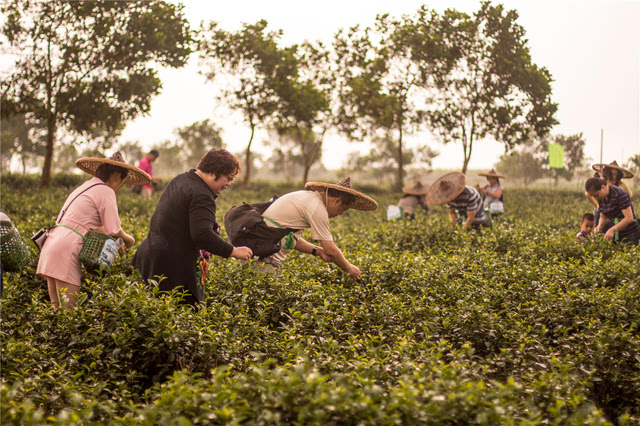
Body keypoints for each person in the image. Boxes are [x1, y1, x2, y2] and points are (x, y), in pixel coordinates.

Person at [132, 149, 253, 306]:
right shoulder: (202, 195)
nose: (229, 183)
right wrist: (233, 251)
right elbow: (202, 235)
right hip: (172, 271)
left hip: (151, 258)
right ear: (214, 172)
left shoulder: (181, 179)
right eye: (228, 178)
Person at [36, 152, 150, 309]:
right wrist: (130, 240)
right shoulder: (106, 191)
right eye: (122, 181)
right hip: (67, 250)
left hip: (51, 245)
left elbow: (92, 225)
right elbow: (113, 230)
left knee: (57, 312)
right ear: (117, 176)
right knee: (69, 314)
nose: (120, 186)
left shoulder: (84, 187)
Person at [225, 177, 377, 280]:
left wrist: (316, 251)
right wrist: (349, 267)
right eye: (342, 210)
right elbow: (330, 249)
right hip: (265, 260)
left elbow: (288, 237)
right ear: (337, 201)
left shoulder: (307, 198)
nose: (339, 215)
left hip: (261, 256)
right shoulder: (317, 207)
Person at [585, 176, 640, 246]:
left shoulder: (620, 194)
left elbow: (629, 218)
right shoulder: (601, 197)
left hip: (629, 233)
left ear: (603, 187)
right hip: (614, 235)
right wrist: (599, 226)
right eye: (594, 196)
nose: (596, 198)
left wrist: (613, 229)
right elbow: (603, 217)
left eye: (596, 195)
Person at [586, 161, 633, 228]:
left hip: (617, 214)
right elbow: (588, 193)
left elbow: (629, 196)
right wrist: (597, 206)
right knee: (600, 232)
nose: (614, 176)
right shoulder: (602, 183)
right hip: (602, 213)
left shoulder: (622, 185)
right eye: (612, 174)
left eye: (615, 174)